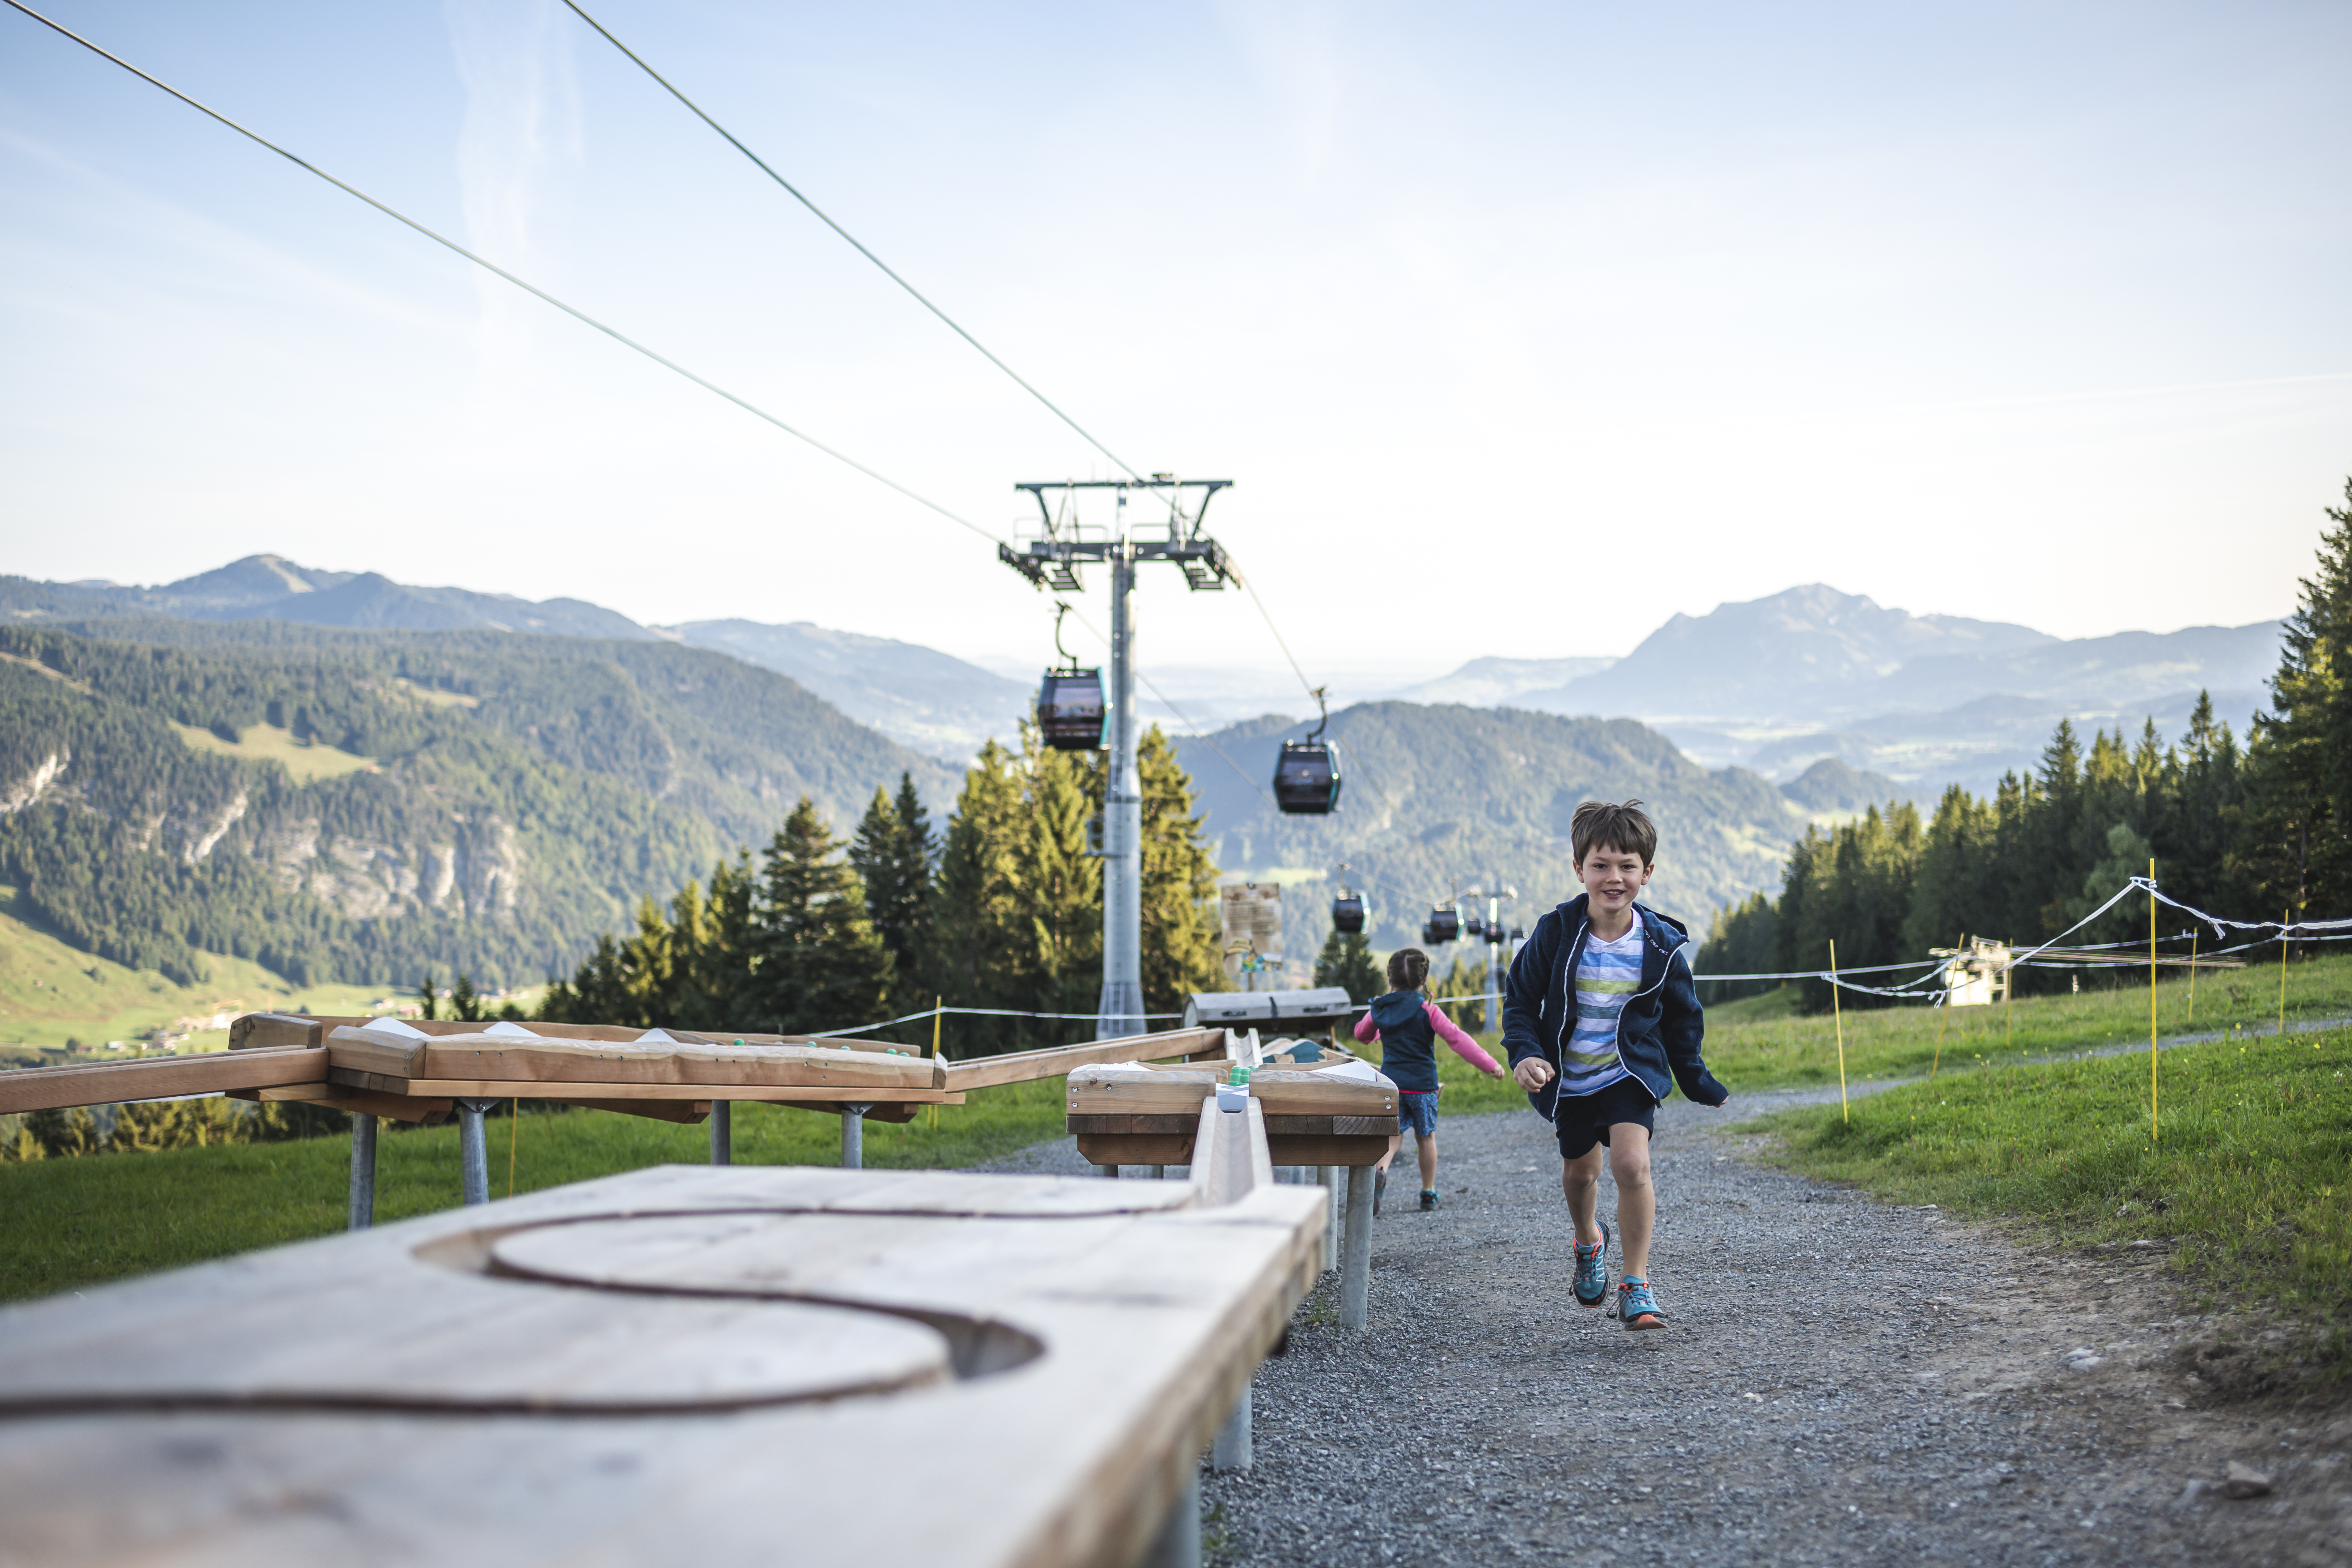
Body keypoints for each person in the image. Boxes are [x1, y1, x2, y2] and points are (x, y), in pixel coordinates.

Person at [1502, 799, 1729, 1330]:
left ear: (1647, 872)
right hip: (1570, 1078)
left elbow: (1682, 1019)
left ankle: (1635, 1282)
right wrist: (1526, 1052)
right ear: (1578, 868)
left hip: (1630, 1072)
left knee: (1632, 1165)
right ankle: (1589, 1240)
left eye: (1627, 865)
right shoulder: (1556, 932)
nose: (1613, 877)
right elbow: (1520, 1000)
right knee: (1581, 1174)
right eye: (1601, 865)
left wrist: (1696, 1079)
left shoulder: (1661, 944)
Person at [1354, 947, 1505, 1214]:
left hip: (1393, 1086)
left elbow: (1361, 1034)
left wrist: (1378, 1030)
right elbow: (1458, 1040)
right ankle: (1428, 1192)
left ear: (1390, 978)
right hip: (1423, 1087)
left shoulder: (1380, 1008)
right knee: (1426, 1138)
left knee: (1392, 1136)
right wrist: (1490, 1064)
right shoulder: (1428, 1011)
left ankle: (1381, 1171)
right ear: (1423, 981)